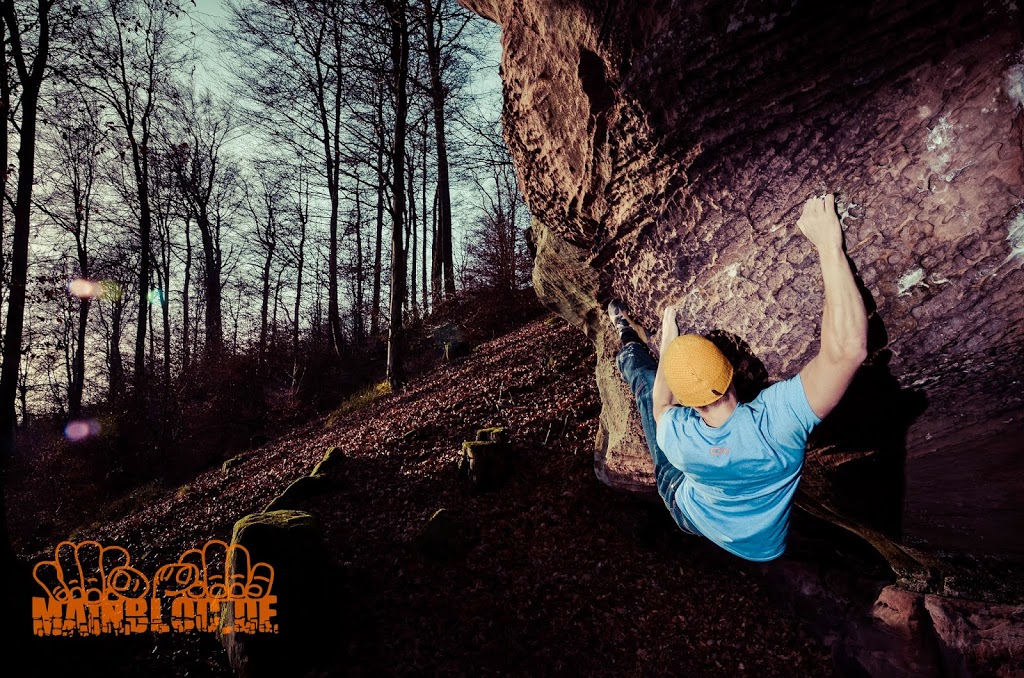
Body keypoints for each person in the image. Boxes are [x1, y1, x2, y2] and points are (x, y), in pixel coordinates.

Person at [609, 193, 868, 561]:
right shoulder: (776, 424)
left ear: (688, 404)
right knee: (647, 391)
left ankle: (625, 337)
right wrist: (828, 245)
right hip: (755, 540)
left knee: (644, 384)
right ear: (732, 373)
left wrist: (667, 350)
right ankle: (625, 331)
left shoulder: (676, 435)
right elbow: (847, 351)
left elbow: (660, 402)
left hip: (692, 516)